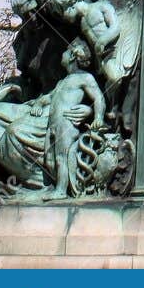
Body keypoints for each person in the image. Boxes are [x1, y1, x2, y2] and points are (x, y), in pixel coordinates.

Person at [43, 40, 106, 200]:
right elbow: (49, 98)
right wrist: (38, 103)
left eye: (65, 51)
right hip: (53, 125)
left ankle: (62, 190)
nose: (62, 55)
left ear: (72, 56)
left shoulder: (85, 77)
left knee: (61, 158)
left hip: (66, 123)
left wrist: (98, 116)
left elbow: (99, 98)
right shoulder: (62, 82)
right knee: (50, 160)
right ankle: (56, 186)